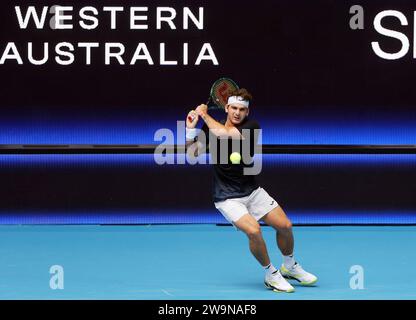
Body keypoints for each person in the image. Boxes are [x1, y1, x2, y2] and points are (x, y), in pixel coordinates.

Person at [185, 88, 317, 293]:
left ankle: (289, 266)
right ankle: (271, 274)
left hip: (253, 192)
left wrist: (203, 114)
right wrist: (190, 130)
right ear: (226, 108)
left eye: (242, 109)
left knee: (285, 226)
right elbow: (192, 154)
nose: (237, 112)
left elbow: (226, 134)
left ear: (247, 112)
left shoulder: (251, 127)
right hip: (227, 197)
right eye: (234, 108)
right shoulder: (210, 129)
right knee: (254, 230)